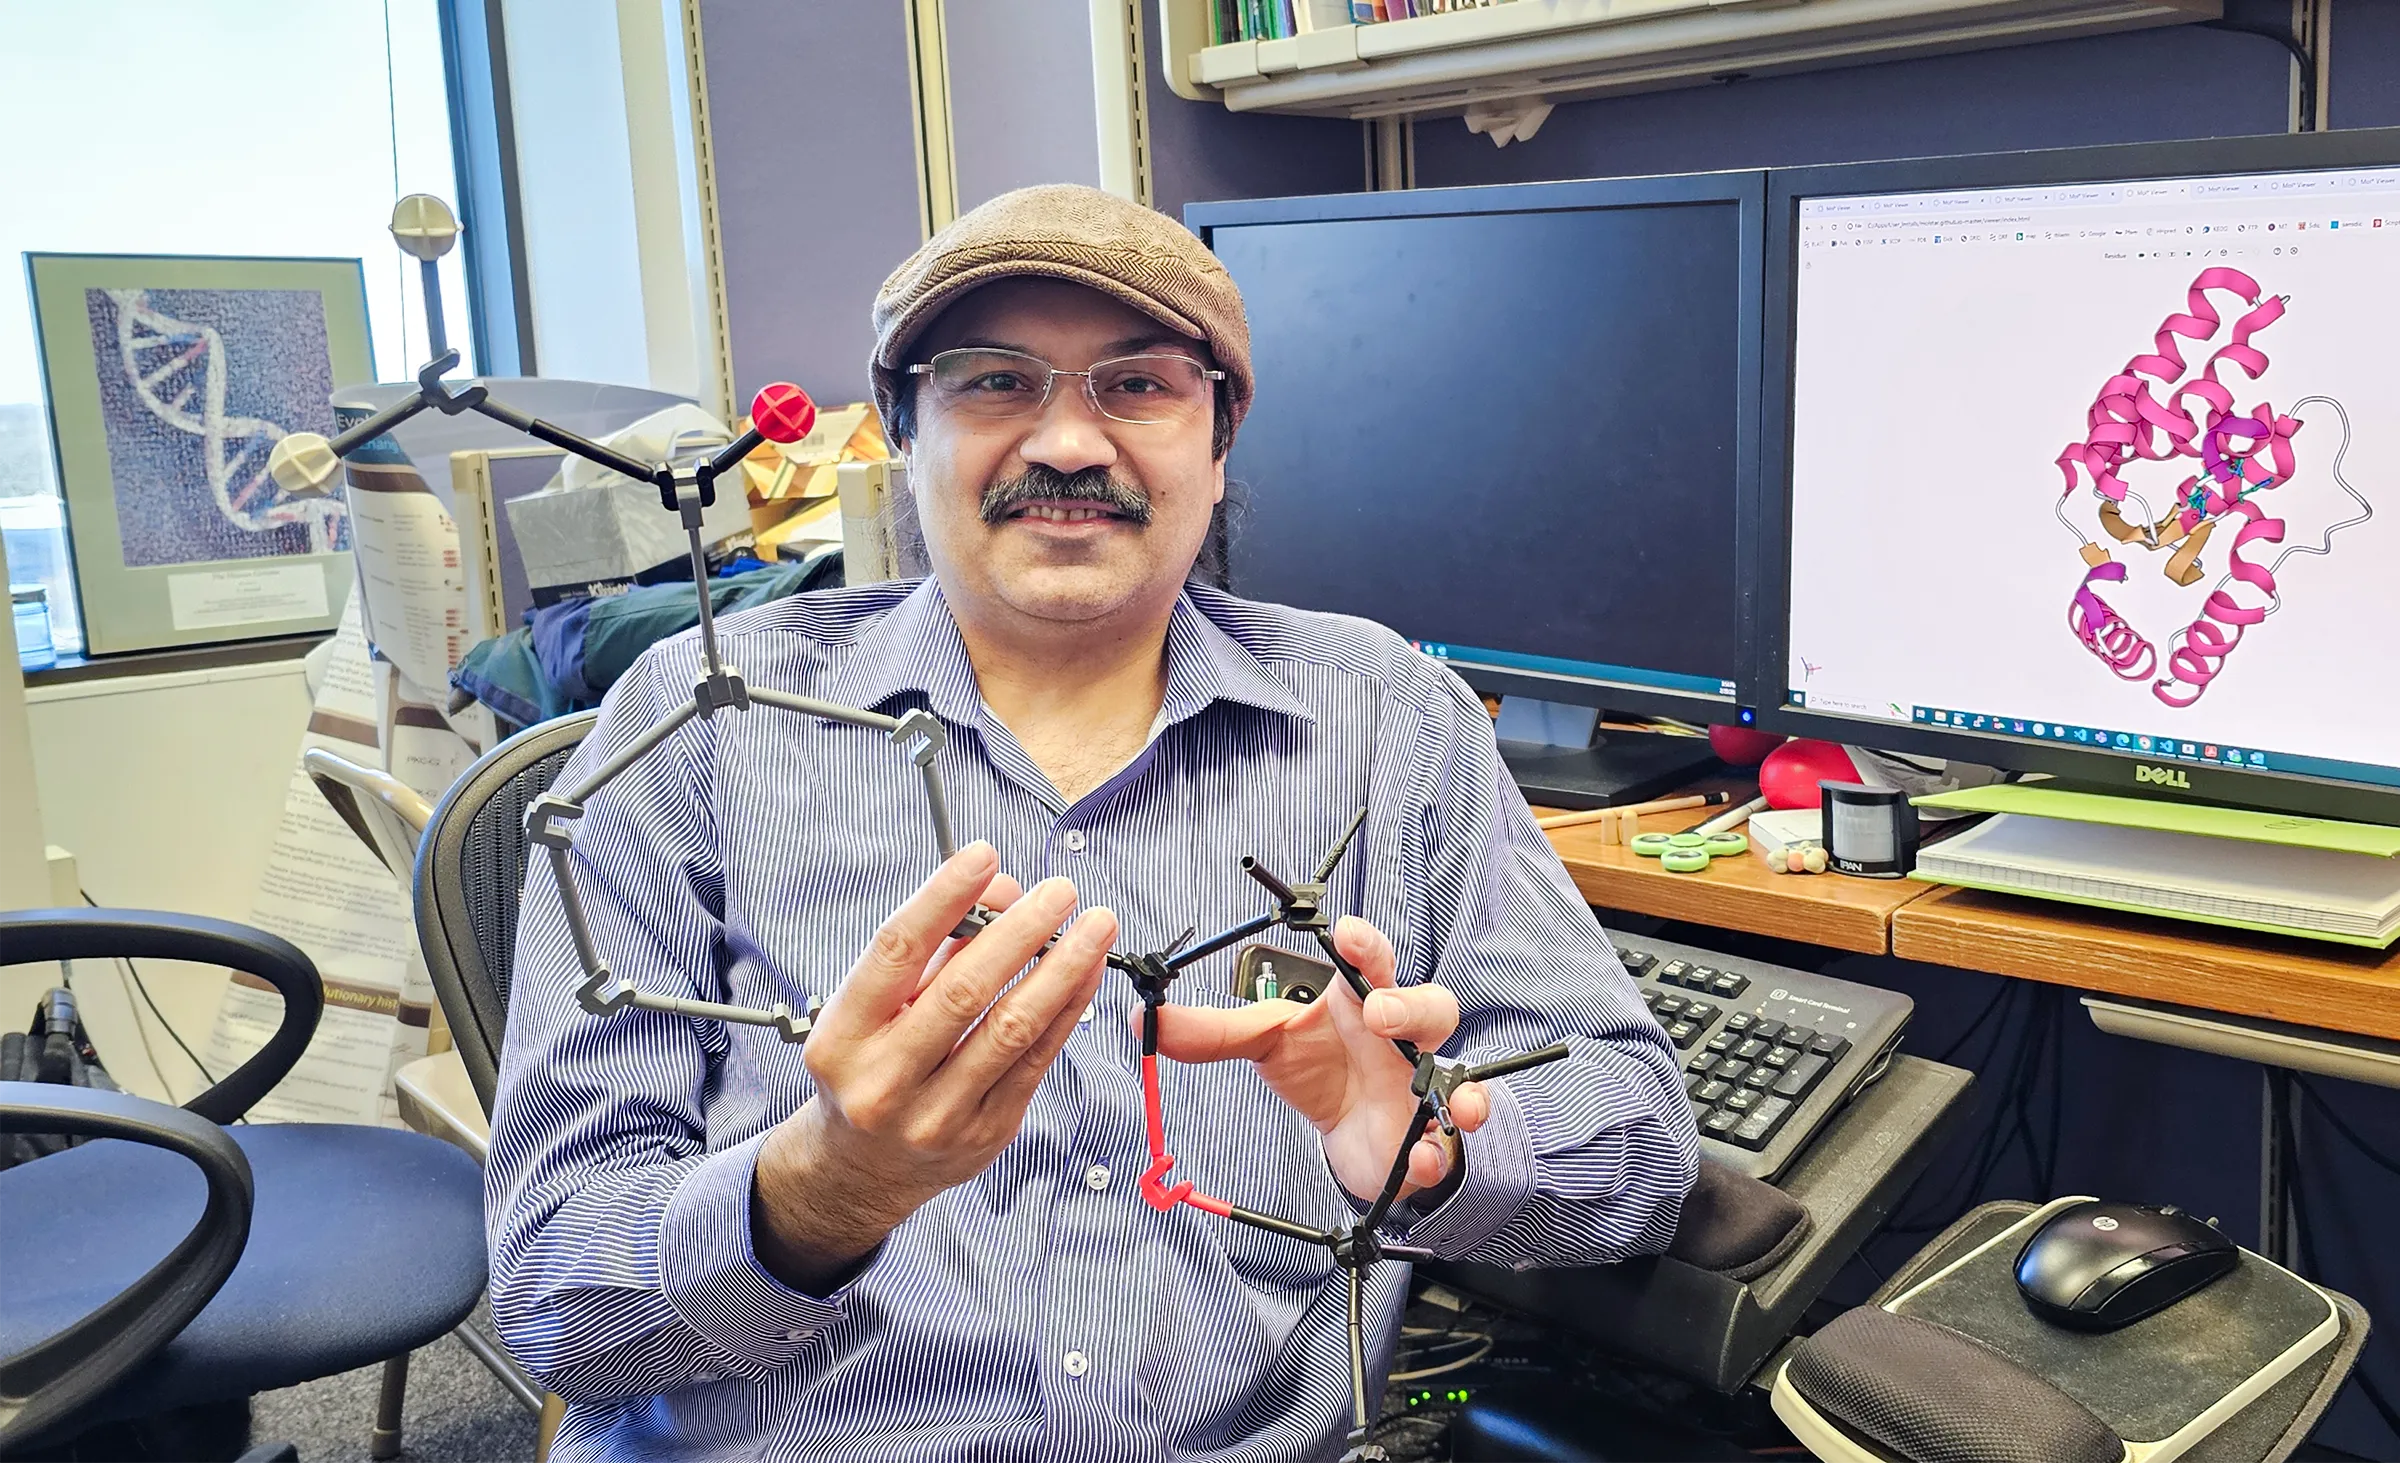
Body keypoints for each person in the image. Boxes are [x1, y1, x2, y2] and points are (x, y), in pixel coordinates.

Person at [487, 183, 1698, 1462]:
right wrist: (828, 1187)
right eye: (996, 382)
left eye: (1138, 385)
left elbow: (1639, 1147)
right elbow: (558, 1299)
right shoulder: (700, 720)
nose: (1069, 443)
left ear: (1220, 443)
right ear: (904, 434)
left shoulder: (1391, 716)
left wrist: (1433, 1143)